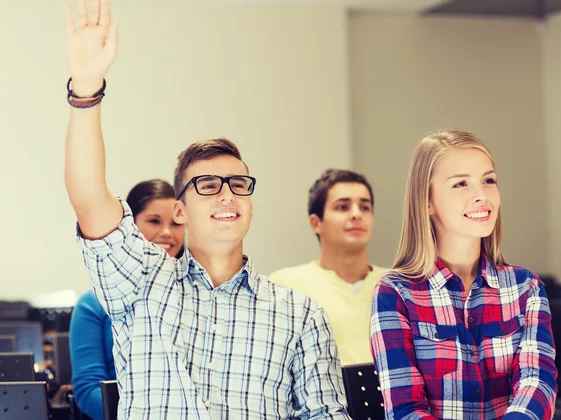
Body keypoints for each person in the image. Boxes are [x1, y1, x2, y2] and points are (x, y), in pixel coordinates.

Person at [63, 0, 350, 418]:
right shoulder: (143, 283)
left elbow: (327, 414)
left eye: (238, 185)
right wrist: (86, 88)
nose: (227, 194)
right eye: (208, 185)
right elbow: (89, 198)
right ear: (180, 210)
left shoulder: (300, 313)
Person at [370, 130, 557, 419]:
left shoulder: (527, 288)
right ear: (427, 201)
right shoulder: (394, 294)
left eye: (488, 180)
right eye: (461, 184)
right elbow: (405, 410)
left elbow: (537, 384)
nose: (481, 195)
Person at [70, 179, 184, 420]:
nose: (166, 232)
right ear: (130, 225)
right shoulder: (92, 304)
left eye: (176, 224)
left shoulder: (198, 292)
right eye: (154, 221)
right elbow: (88, 388)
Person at [270, 169, 386, 366]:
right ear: (316, 223)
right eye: (342, 207)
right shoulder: (284, 287)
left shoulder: (397, 284)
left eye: (365, 207)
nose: (356, 214)